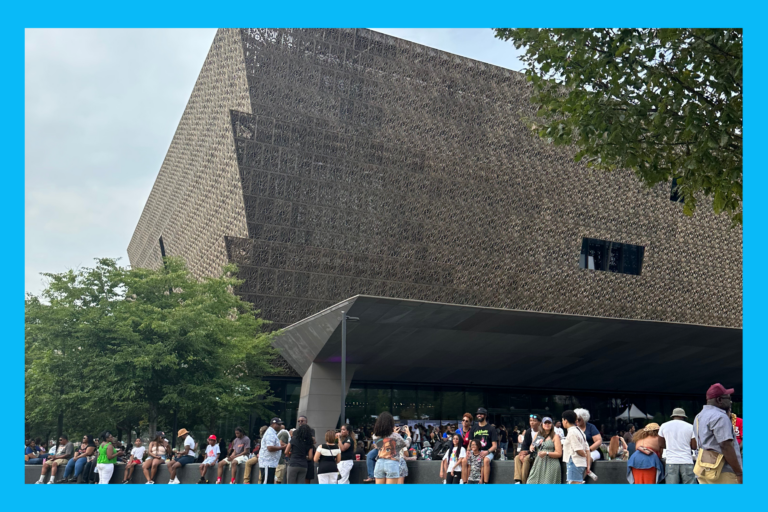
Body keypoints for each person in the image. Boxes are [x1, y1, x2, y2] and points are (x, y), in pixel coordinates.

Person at [693, 383, 743, 484]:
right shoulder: (720, 416)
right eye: (728, 398)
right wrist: (739, 473)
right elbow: (726, 446)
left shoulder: (699, 416)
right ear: (719, 400)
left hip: (704, 469)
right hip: (723, 472)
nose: (730, 402)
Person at [659, 408, 697, 484]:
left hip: (671, 461)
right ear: (683, 417)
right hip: (687, 461)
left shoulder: (664, 426)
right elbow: (694, 446)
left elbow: (661, 444)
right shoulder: (690, 427)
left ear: (673, 416)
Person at [373, 412, 407, 484]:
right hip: (392, 462)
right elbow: (405, 444)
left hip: (379, 462)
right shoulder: (396, 436)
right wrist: (409, 436)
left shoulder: (375, 436)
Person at [527, 417, 563, 484]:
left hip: (551, 463)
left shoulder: (555, 436)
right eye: (545, 423)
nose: (547, 424)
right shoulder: (538, 435)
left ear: (552, 424)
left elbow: (559, 453)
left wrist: (546, 453)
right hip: (539, 463)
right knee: (531, 482)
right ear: (542, 424)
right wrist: (531, 447)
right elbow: (533, 445)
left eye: (549, 423)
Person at [468, 408, 497, 484]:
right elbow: (470, 443)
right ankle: (464, 482)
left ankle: (485, 483)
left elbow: (495, 446)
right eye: (478, 414)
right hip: (475, 451)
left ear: (485, 415)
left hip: (487, 451)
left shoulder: (491, 428)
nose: (479, 415)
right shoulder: (473, 428)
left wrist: (486, 452)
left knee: (486, 460)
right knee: (464, 460)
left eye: (481, 414)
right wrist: (468, 451)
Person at [561, 410, 589, 484]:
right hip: (580, 463)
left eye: (562, 420)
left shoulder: (571, 432)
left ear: (565, 420)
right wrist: (587, 463)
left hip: (574, 462)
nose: (562, 422)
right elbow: (587, 449)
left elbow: (578, 449)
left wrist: (584, 456)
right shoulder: (580, 431)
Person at [574, 408, 600, 481]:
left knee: (588, 458)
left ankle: (580, 480)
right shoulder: (574, 429)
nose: (577, 421)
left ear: (584, 419)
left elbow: (598, 441)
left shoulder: (591, 427)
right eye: (575, 419)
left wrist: (589, 449)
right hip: (578, 451)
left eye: (579, 419)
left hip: (592, 451)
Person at [514, 414, 541, 484]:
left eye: (534, 421)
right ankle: (518, 480)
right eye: (530, 421)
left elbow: (535, 446)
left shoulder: (542, 432)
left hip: (536, 453)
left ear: (539, 422)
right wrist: (521, 453)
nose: (532, 422)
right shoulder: (528, 431)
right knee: (517, 457)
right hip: (528, 452)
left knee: (526, 459)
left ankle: (524, 481)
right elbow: (525, 444)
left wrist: (526, 453)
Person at [258, 418, 284, 484]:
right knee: (266, 483)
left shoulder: (272, 433)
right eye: (278, 424)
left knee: (269, 482)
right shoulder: (270, 433)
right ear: (273, 424)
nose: (280, 426)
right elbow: (270, 448)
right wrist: (282, 447)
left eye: (280, 424)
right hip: (267, 463)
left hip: (271, 463)